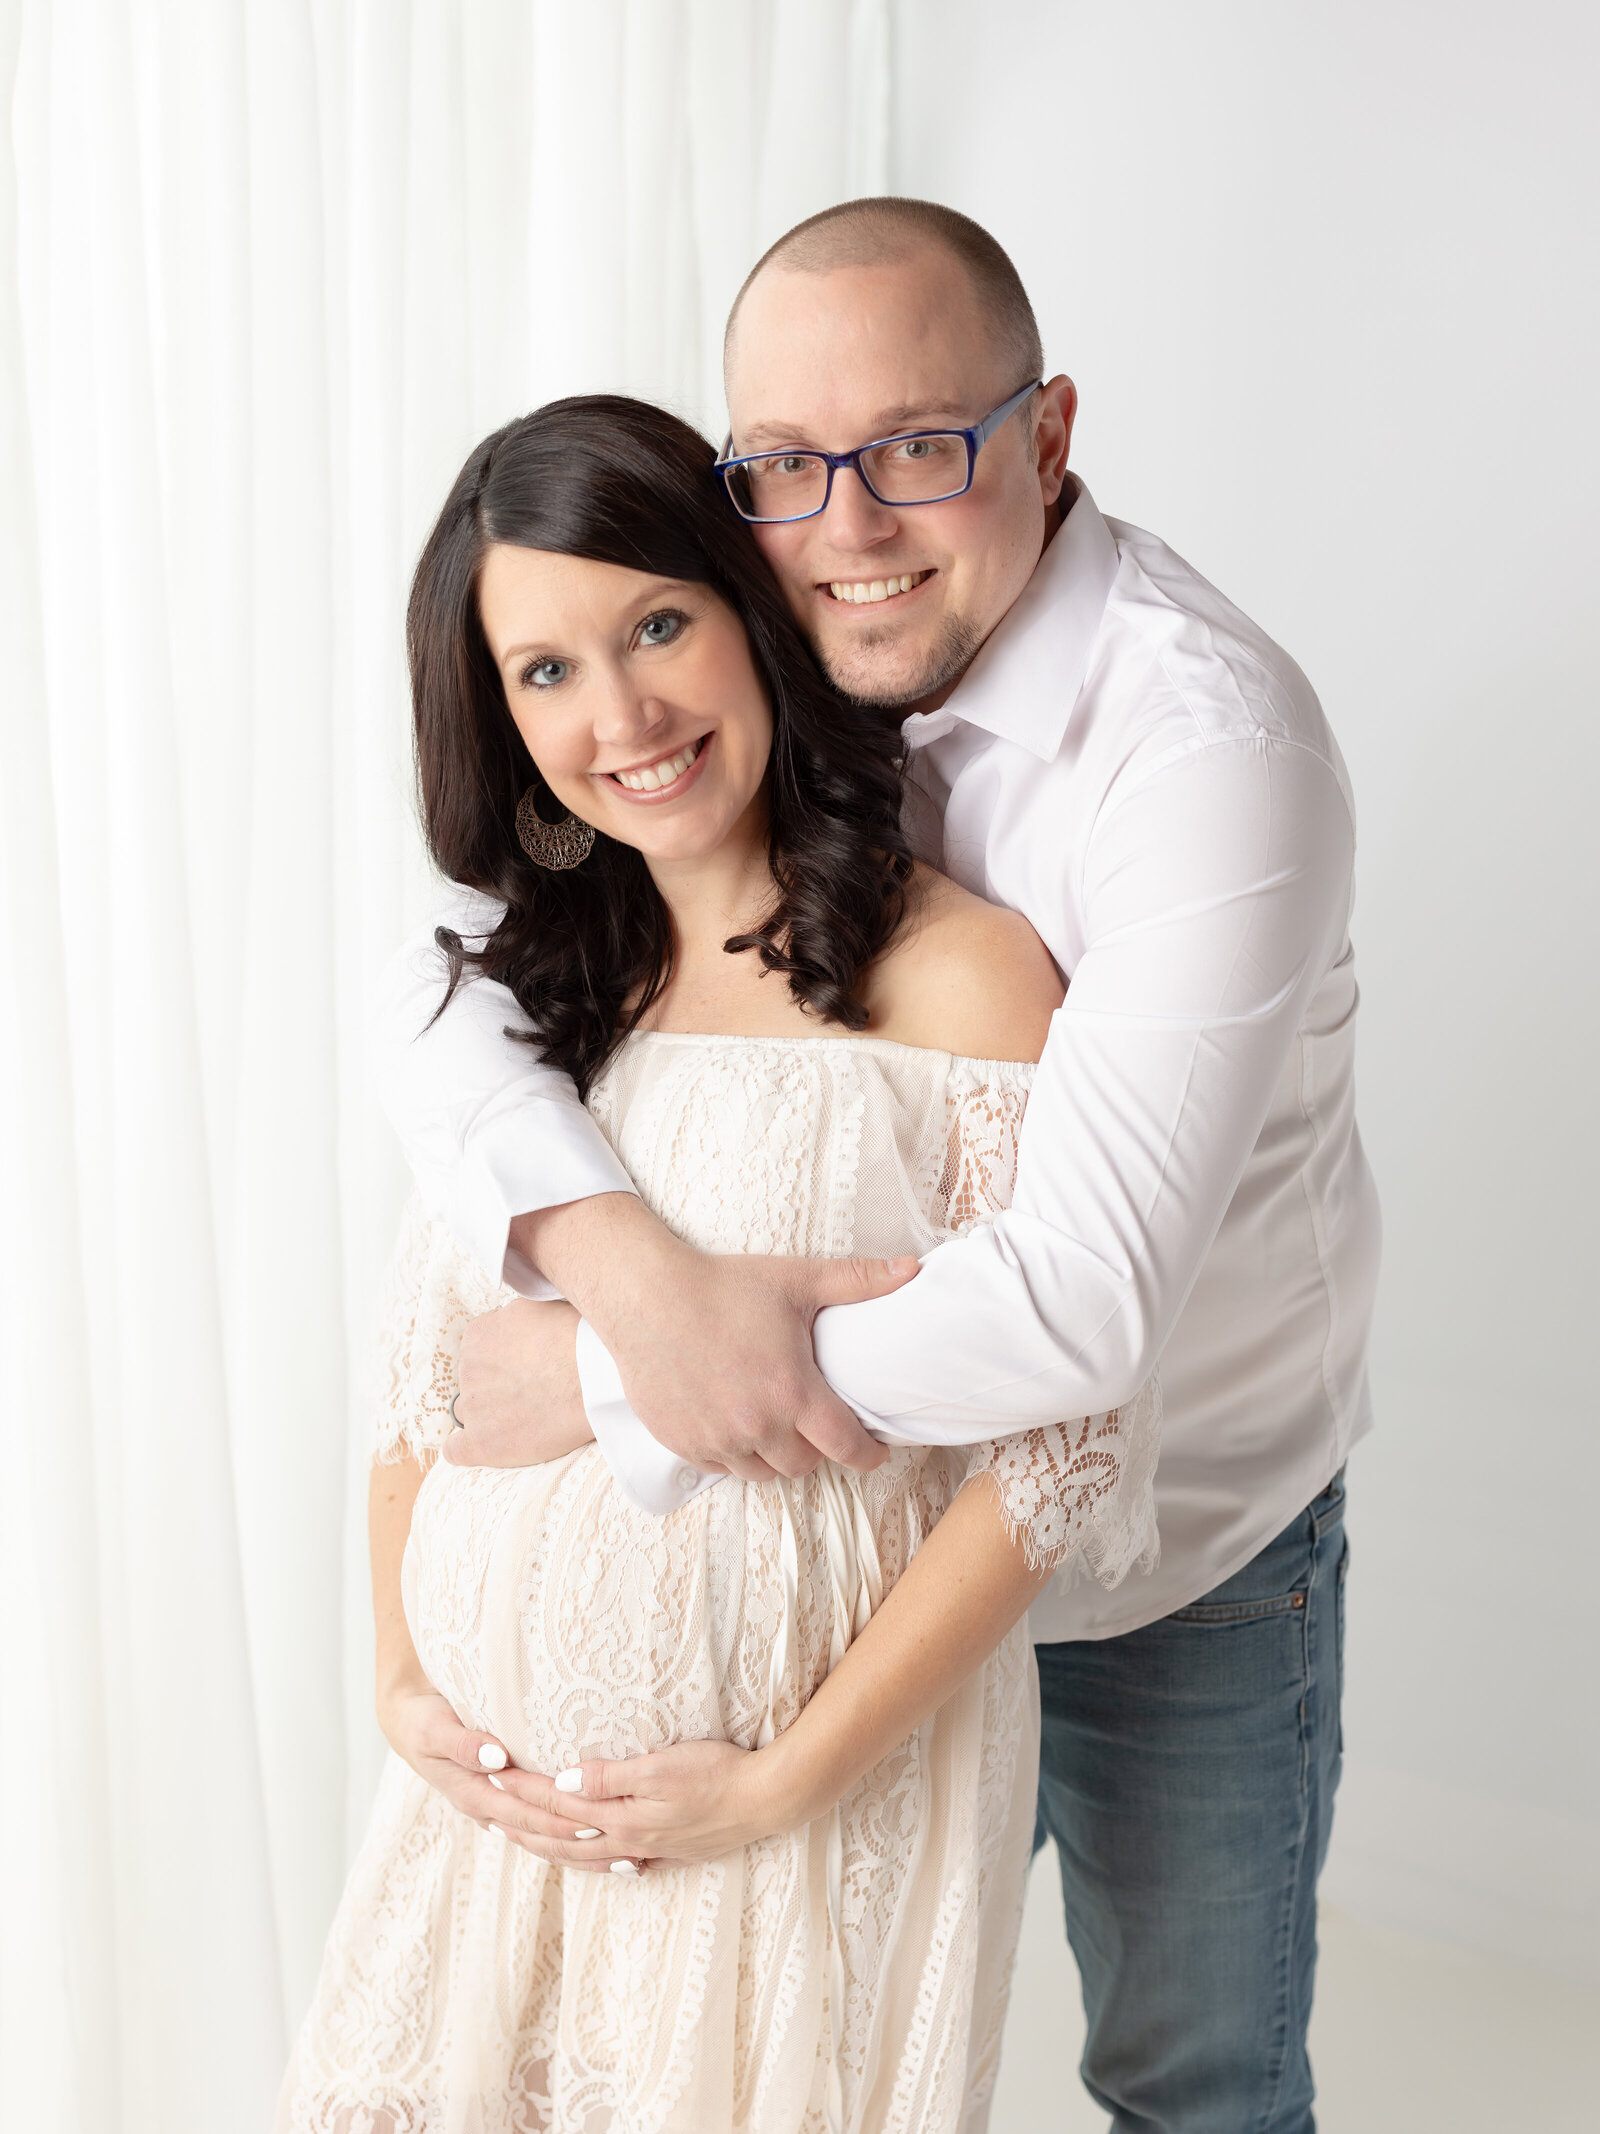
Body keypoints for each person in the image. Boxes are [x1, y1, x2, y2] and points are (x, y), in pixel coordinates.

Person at [373, 199, 1380, 2133]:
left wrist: (609, 1371)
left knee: (1188, 2074)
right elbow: (477, 1001)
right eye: (780, 469)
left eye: (918, 445)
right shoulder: (773, 664)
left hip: (1181, 1559)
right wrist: (619, 1259)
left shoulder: (1201, 754)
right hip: (851, 1580)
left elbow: (1082, 1313)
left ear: (1049, 435)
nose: (847, 521)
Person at [277, 394, 1159, 2131]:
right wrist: (397, 1678)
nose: (621, 717)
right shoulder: (528, 1012)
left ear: (748, 611)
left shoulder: (964, 976)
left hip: (797, 1834)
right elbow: (411, 1392)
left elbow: (1066, 1449)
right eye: (545, 671)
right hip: (490, 1825)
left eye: (657, 623)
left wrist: (779, 1783)